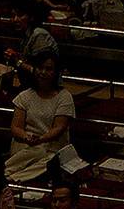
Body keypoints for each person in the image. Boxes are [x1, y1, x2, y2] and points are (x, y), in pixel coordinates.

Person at [4, 51, 74, 183]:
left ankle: (12, 178)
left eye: (48, 69)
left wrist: (41, 139)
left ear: (56, 72)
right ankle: (5, 172)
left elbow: (59, 127)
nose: (43, 72)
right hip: (26, 145)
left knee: (48, 159)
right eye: (40, 68)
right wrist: (27, 137)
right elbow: (16, 127)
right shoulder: (24, 96)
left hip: (53, 148)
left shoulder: (64, 97)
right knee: (36, 152)